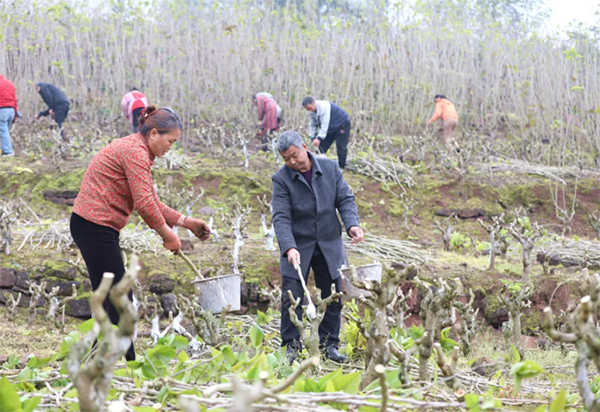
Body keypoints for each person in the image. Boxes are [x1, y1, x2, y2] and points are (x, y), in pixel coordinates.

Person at [70, 106, 211, 361]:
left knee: (115, 296)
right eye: (170, 141)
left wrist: (186, 222)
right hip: (93, 226)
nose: (170, 147)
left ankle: (99, 357)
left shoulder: (138, 151)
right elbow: (144, 204)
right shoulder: (135, 153)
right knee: (120, 298)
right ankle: (126, 363)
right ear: (154, 133)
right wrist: (168, 235)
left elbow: (151, 201)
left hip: (98, 227)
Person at [272, 130, 364, 364]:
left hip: (328, 242)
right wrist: (289, 247)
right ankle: (291, 346)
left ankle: (329, 345)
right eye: (286, 158)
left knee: (333, 294)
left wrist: (352, 224)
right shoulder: (281, 179)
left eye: (294, 155)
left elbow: (345, 199)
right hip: (297, 244)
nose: (292, 162)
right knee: (291, 297)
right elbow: (281, 217)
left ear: (304, 146)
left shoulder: (330, 168)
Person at [301, 96, 351, 170]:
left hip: (342, 124)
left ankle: (341, 167)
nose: (310, 110)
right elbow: (312, 124)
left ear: (314, 103)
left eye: (310, 108)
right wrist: (313, 137)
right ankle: (317, 165)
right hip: (331, 127)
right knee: (322, 147)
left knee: (341, 146)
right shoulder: (312, 112)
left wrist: (319, 138)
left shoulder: (324, 107)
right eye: (308, 109)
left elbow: (325, 124)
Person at [0, 75, 18, 156]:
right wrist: (16, 113)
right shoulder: (10, 84)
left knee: (3, 132)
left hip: (2, 110)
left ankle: (7, 151)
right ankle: (6, 149)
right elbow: (15, 100)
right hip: (11, 110)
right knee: (5, 131)